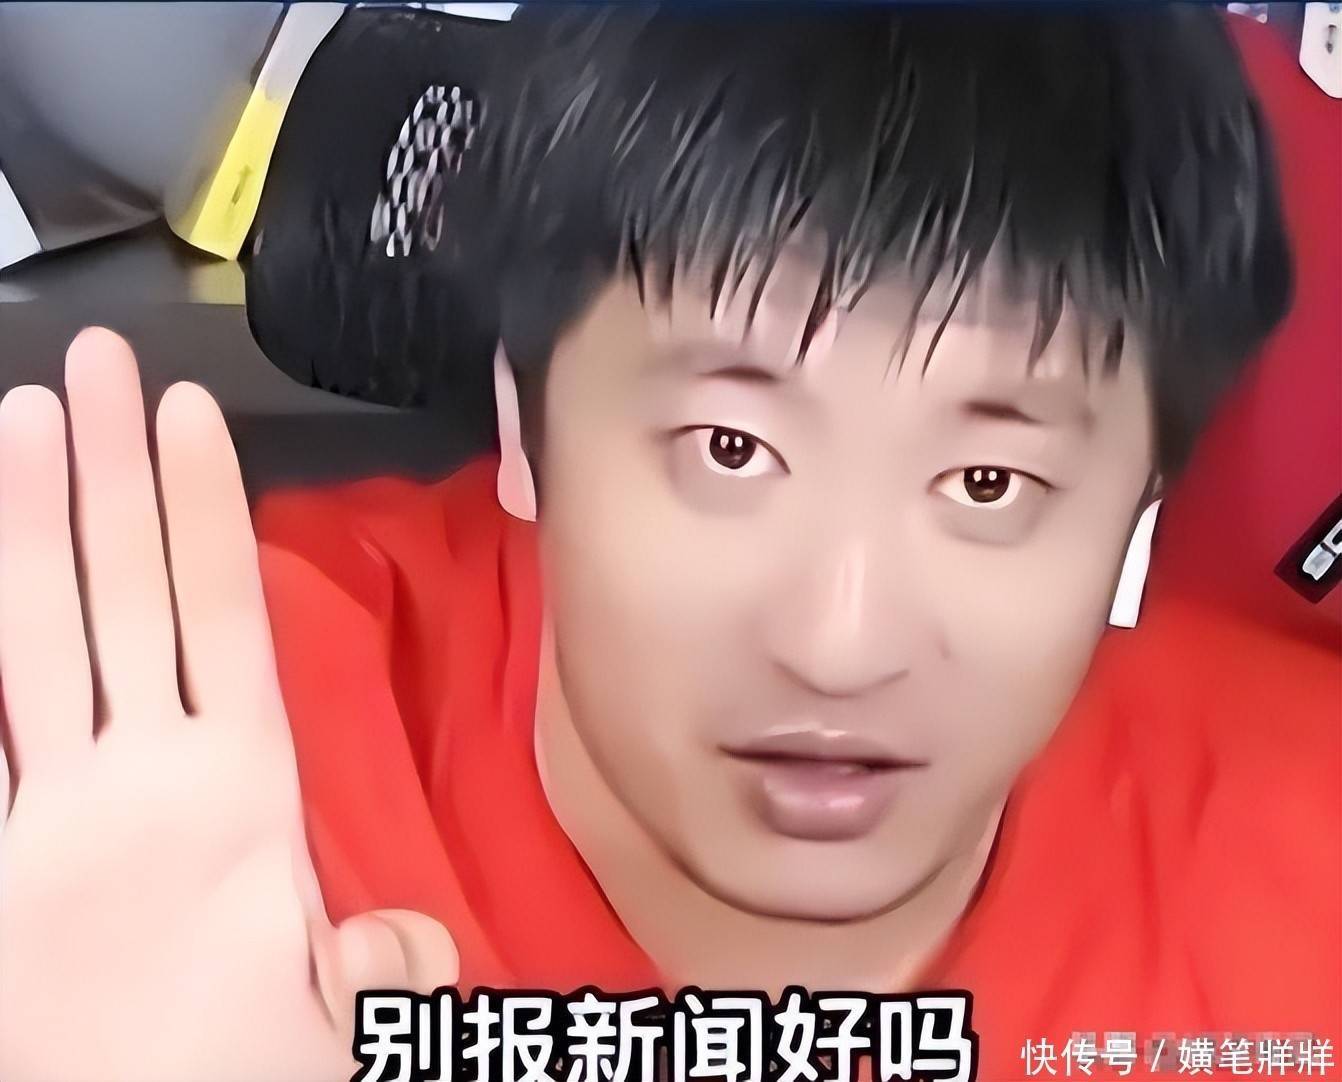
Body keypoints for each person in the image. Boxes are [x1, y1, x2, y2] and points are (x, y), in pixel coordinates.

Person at [0, 7, 1336, 1082]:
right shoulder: (117, 790)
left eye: (987, 481)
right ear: (523, 423)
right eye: (729, 449)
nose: (840, 645)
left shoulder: (1303, 863)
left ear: (1140, 495)